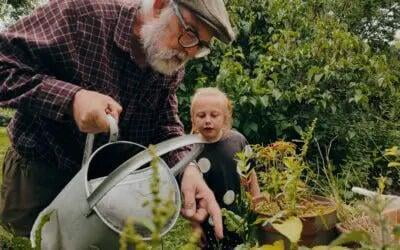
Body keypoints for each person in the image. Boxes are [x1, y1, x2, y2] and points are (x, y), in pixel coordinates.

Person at [0, 0, 235, 238]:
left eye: (202, 46)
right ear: (160, 5)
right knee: (29, 241)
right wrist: (72, 100)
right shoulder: (82, 14)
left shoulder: (170, 59)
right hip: (40, 177)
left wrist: (188, 169)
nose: (190, 52)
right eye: (191, 33)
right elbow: (4, 65)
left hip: (108, 188)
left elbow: (164, 122)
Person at [189, 87, 259, 249]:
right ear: (193, 119)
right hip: (206, 222)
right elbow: (189, 197)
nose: (208, 120)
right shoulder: (189, 150)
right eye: (201, 115)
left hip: (237, 218)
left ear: (225, 118)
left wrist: (256, 204)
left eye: (214, 115)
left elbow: (251, 175)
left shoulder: (237, 141)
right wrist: (195, 226)